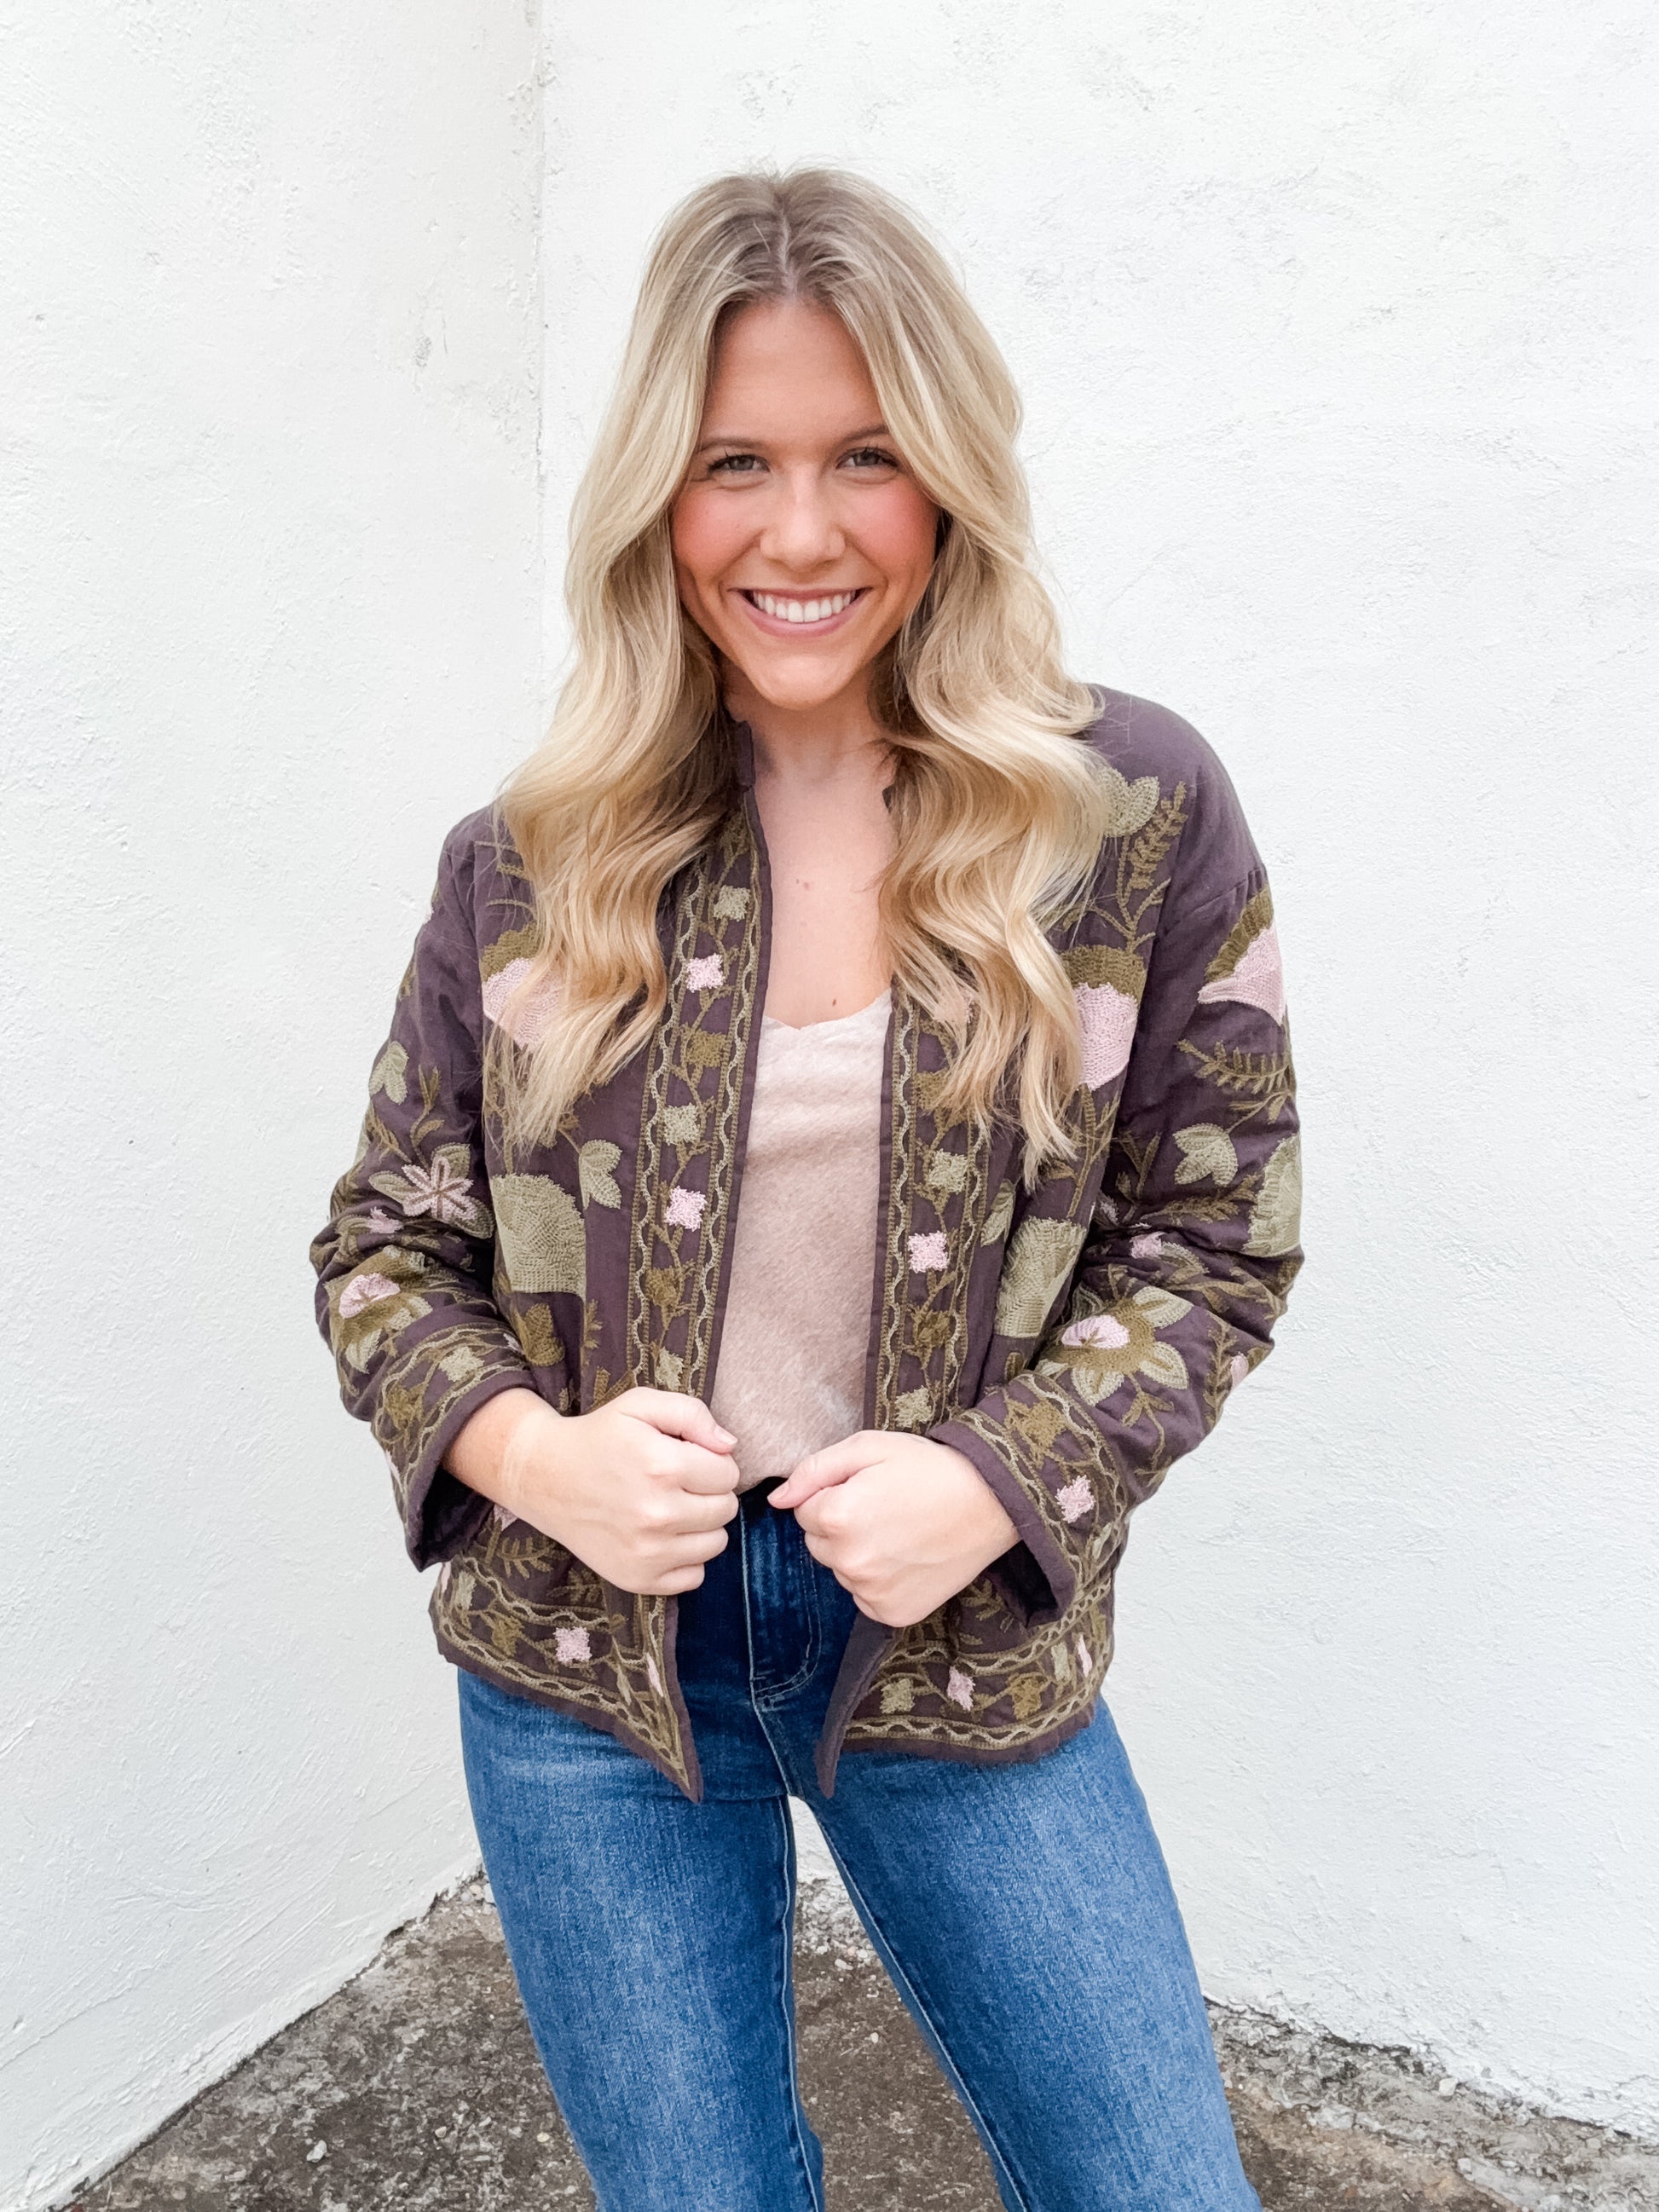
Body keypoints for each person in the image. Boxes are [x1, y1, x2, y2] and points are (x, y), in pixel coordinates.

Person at [311, 165, 1302, 2212]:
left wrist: (1002, 1476)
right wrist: (533, 1456)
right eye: (733, 462)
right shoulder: (534, 853)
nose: (797, 531)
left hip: (951, 1633)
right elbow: (384, 1243)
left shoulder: (1124, 814)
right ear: (655, 498)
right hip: (587, 1662)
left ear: (947, 476)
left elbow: (1217, 1239)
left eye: (864, 455)